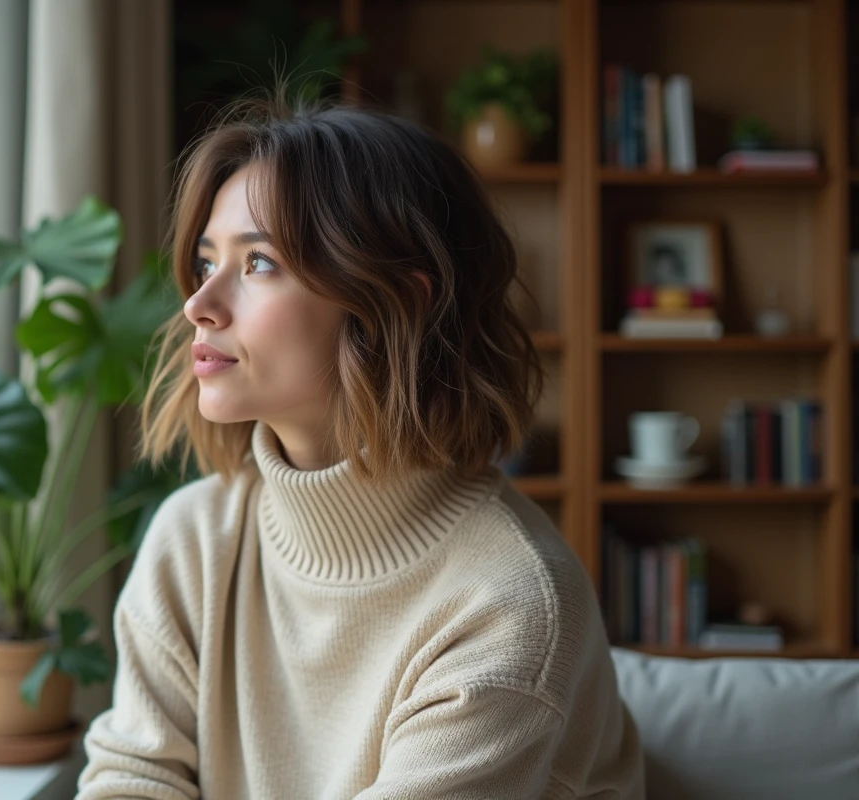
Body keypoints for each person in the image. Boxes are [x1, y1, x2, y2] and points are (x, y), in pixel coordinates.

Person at [75, 93, 645, 799]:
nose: (198, 303)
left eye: (257, 264)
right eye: (204, 259)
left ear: (391, 305)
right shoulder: (192, 542)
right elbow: (131, 779)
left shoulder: (508, 607)